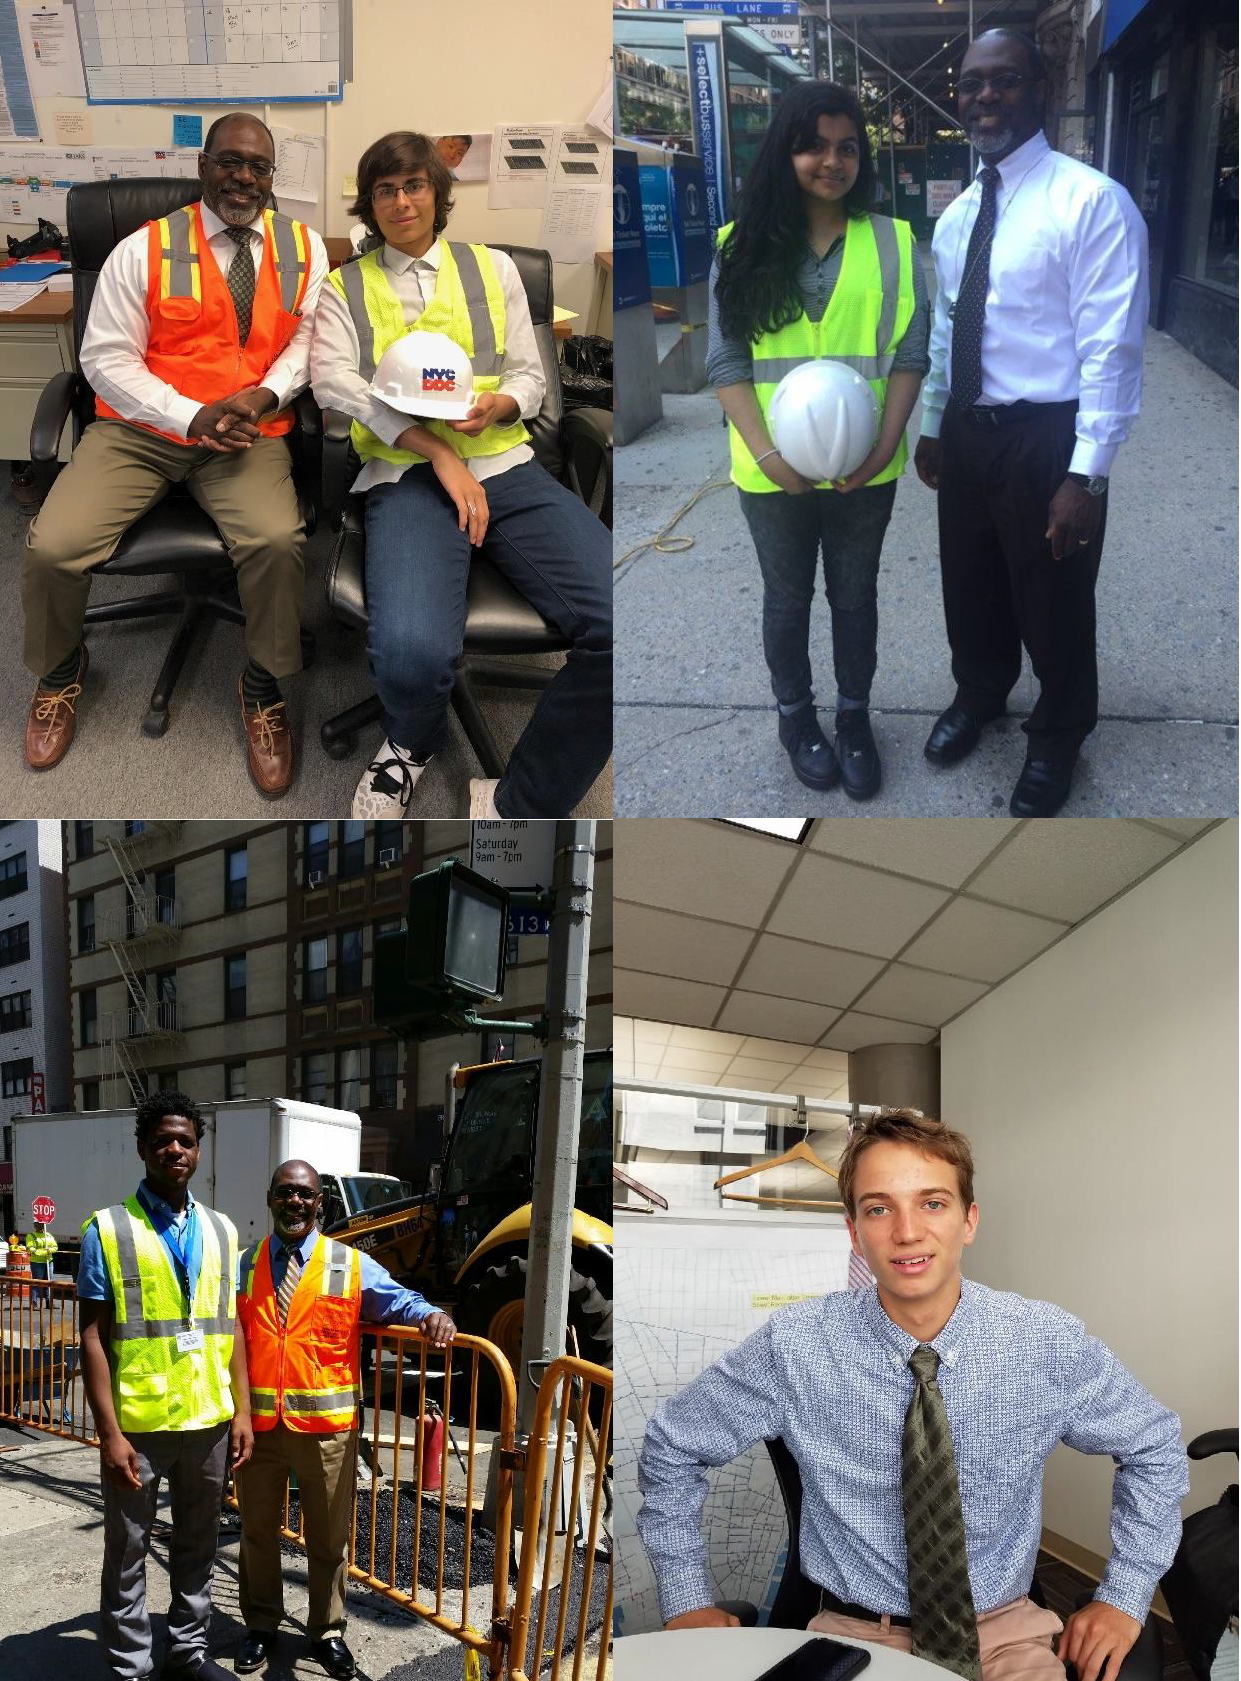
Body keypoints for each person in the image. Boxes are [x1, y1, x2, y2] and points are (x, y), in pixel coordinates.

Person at [637, 1110, 1187, 1681]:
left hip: (1004, 1636)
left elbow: (1154, 1446)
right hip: (856, 1636)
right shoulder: (795, 1347)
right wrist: (685, 1597)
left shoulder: (1043, 1342)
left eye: (932, 1203)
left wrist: (1124, 1594)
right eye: (878, 1208)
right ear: (854, 1231)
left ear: (968, 1220)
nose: (907, 1232)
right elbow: (672, 1446)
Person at [22, 112, 329, 798]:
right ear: (203, 167)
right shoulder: (144, 248)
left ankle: (261, 684)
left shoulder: (305, 248)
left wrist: (264, 396)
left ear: (271, 176)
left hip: (247, 433)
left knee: (279, 539)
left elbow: (309, 344)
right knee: (52, 546)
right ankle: (60, 671)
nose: (243, 177)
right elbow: (103, 360)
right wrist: (191, 416)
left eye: (257, 166)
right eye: (229, 162)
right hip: (143, 430)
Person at [310, 130, 612, 820]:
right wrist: (436, 451)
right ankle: (411, 743)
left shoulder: (493, 269)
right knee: (413, 656)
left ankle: (519, 800)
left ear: (439, 195)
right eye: (384, 189)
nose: (401, 200)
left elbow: (532, 374)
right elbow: (333, 384)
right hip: (406, 471)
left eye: (415, 184)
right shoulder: (343, 288)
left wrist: (503, 402)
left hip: (503, 463)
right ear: (369, 204)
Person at [915, 30, 1149, 817]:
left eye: (1004, 81)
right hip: (970, 429)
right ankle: (980, 692)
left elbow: (1110, 349)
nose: (984, 96)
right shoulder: (957, 216)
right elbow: (950, 326)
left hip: (1048, 433)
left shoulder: (1089, 202)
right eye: (971, 83)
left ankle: (1056, 734)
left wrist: (1086, 473)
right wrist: (933, 422)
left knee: (1051, 597)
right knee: (969, 583)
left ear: (1041, 90)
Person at [708, 80, 930, 800]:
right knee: (787, 595)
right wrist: (772, 457)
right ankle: (796, 717)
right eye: (813, 146)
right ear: (785, 151)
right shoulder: (737, 246)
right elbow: (727, 363)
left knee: (854, 593)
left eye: (846, 148)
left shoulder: (892, 241)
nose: (830, 162)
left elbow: (907, 356)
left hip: (866, 467)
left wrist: (879, 450)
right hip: (770, 470)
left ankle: (855, 717)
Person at [233, 1158, 456, 1680]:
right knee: (257, 1533)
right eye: (286, 1192)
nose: (295, 1202)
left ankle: (327, 1632)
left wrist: (429, 1314)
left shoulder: (349, 1264)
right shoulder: (244, 1264)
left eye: (305, 1195)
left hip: (327, 1432)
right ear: (270, 1198)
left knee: (330, 1540)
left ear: (319, 1204)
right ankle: (261, 1624)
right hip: (259, 1429)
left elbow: (397, 1299)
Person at [77, 1090, 251, 1681]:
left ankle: (188, 1651)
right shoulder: (108, 1228)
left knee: (199, 1544)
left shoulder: (224, 1231)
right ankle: (131, 1666)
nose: (174, 1149)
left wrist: (243, 1415)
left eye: (185, 1140)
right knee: (128, 1551)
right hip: (139, 1428)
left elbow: (233, 1331)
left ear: (198, 1149)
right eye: (162, 1140)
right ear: (142, 1149)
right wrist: (109, 1433)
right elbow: (93, 1339)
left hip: (208, 1423)